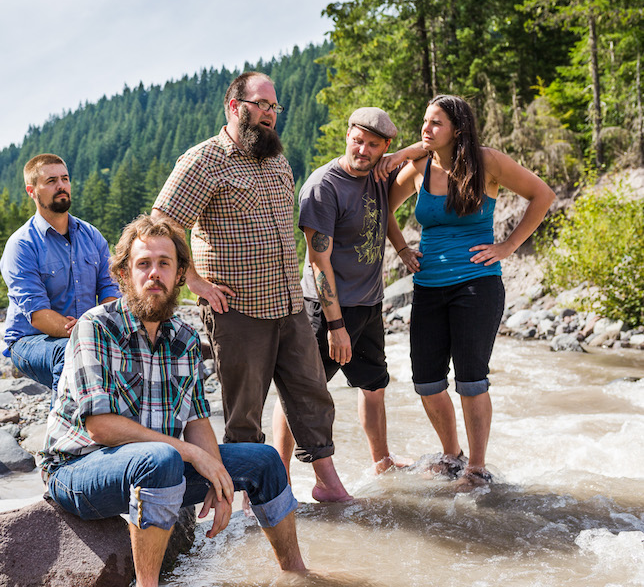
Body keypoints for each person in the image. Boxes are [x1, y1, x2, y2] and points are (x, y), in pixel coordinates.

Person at [43, 216, 308, 587]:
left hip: (155, 467)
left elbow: (197, 420)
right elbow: (99, 426)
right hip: (78, 469)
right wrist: (193, 455)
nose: (154, 274)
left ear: (180, 274)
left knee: (263, 460)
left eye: (164, 264)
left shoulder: (183, 337)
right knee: (163, 457)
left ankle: (298, 574)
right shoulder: (96, 327)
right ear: (123, 274)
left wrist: (219, 479)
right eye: (143, 264)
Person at [152, 71, 352, 502]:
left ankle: (327, 482)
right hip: (238, 310)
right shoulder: (203, 160)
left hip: (289, 302)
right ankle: (246, 501)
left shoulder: (277, 158)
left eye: (274, 106)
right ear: (234, 106)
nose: (268, 113)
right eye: (260, 104)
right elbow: (164, 223)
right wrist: (196, 283)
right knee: (244, 412)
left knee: (311, 393)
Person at [386, 94, 555, 486]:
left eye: (435, 123)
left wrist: (507, 247)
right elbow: (382, 208)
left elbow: (541, 195)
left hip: (477, 285)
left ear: (457, 129)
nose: (426, 129)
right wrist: (401, 248)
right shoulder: (419, 167)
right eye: (424, 122)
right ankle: (451, 455)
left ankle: (476, 469)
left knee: (471, 379)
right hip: (428, 287)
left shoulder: (487, 162)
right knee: (426, 381)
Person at [273, 107, 423, 475]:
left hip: (369, 305)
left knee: (374, 386)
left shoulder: (379, 177)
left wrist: (401, 155)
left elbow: (432, 151)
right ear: (347, 135)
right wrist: (335, 325)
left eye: (373, 145)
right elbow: (318, 263)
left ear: (385, 147)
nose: (363, 150)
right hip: (325, 309)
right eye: (358, 140)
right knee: (300, 392)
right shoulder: (323, 186)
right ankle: (280, 475)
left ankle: (381, 462)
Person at [0, 153, 120, 395]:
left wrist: (105, 328)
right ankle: (62, 430)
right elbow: (38, 315)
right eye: (51, 180)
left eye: (65, 178)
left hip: (88, 333)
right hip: (30, 341)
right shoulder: (22, 244)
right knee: (69, 353)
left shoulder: (91, 235)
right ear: (32, 191)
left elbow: (110, 289)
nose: (61, 185)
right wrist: (86, 333)